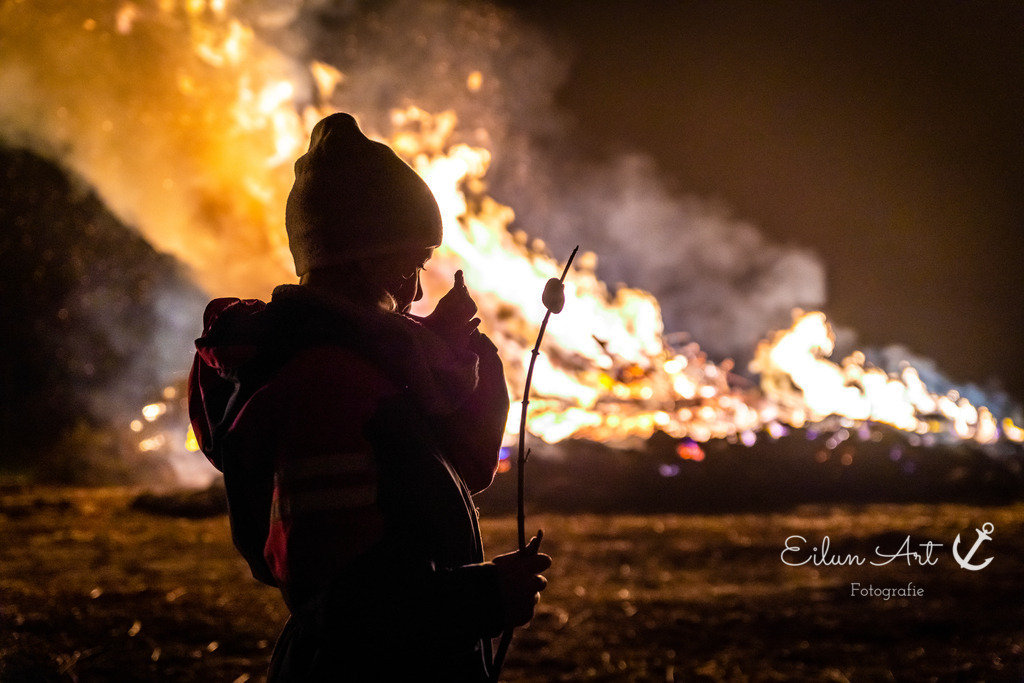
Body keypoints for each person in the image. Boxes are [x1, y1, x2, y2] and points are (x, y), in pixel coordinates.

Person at [188, 112, 551, 681]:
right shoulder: (324, 389)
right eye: (411, 263)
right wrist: (483, 597)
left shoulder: (364, 365)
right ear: (359, 258)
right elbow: (342, 605)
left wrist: (448, 350)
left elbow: (463, 468)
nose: (414, 289)